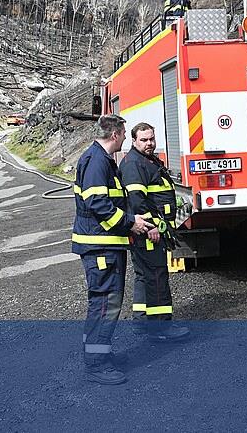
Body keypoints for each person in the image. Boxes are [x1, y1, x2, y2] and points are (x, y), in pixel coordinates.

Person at [72, 114, 154, 385]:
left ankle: (98, 355)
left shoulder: (100, 160)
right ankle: (96, 364)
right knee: (104, 304)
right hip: (100, 248)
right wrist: (131, 223)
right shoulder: (97, 161)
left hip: (105, 246)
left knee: (103, 304)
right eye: (123, 132)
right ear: (117, 134)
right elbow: (98, 203)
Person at [120, 123, 190, 342]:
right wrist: (151, 227)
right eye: (144, 140)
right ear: (134, 141)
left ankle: (142, 322)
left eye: (151, 139)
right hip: (148, 231)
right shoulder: (133, 164)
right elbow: (137, 201)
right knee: (157, 276)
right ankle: (161, 327)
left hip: (150, 229)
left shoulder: (146, 160)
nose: (149, 143)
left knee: (144, 275)